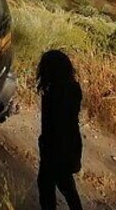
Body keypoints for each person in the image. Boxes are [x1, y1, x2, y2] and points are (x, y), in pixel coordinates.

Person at [36, 49, 84, 210]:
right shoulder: (73, 89)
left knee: (46, 186)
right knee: (66, 185)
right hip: (70, 144)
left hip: (54, 148)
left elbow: (52, 125)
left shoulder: (53, 94)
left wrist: (44, 145)